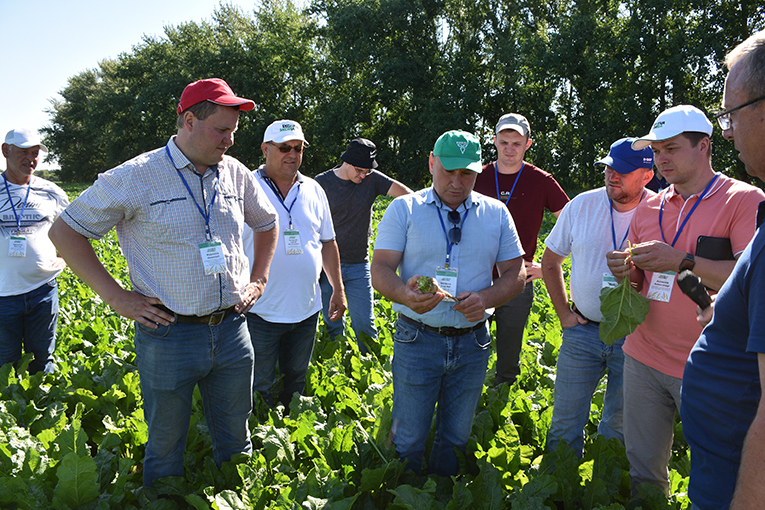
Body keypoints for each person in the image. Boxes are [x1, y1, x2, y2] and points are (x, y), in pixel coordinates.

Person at [48, 78, 279, 487]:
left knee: (236, 440)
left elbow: (267, 222)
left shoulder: (235, 174)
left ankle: (238, 495)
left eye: (233, 132)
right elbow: (66, 232)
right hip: (168, 334)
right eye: (221, 130)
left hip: (231, 330)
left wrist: (258, 278)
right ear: (189, 120)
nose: (229, 141)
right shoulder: (137, 175)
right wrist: (117, 298)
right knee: (165, 446)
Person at [606, 105, 765, 495]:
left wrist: (682, 260)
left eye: (671, 149)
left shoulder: (743, 200)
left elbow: (751, 278)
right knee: (644, 468)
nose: (661, 159)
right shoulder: (648, 205)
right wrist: (628, 270)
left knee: (714, 472)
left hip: (708, 364)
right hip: (642, 357)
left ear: (704, 147)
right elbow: (644, 276)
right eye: (657, 151)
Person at [371, 130, 525, 476]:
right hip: (417, 337)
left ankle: (442, 494)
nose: (457, 182)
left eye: (466, 173)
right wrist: (405, 294)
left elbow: (515, 273)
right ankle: (405, 495)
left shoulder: (496, 213)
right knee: (409, 435)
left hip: (473, 340)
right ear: (431, 163)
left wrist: (485, 298)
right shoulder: (404, 209)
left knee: (456, 435)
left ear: (478, 171)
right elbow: (380, 269)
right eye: (449, 171)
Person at [682, 31, 765, 509]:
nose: (729, 130)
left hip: (739, 478)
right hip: (723, 456)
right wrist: (729, 316)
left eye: (732, 115)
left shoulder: (743, 199)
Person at [541, 137, 654, 457]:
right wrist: (564, 314)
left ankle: (603, 492)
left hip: (633, 337)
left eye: (623, 170)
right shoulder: (582, 205)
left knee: (618, 424)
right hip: (582, 332)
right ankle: (559, 492)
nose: (612, 175)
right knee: (564, 422)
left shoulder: (660, 210)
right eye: (608, 168)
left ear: (646, 176)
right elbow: (550, 261)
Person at [243, 120, 346, 408]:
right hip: (259, 310)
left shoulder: (313, 189)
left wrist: (337, 288)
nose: (292, 154)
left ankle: (292, 431)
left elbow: (328, 242)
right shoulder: (246, 186)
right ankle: (258, 439)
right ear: (265, 149)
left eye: (298, 148)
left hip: (306, 309)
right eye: (284, 147)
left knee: (297, 379)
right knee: (257, 382)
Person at [474, 113, 569, 386]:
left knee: (509, 350)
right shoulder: (477, 176)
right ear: (494, 141)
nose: (509, 149)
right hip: (476, 275)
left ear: (528, 144)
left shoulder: (540, 180)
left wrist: (547, 266)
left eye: (516, 143)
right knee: (468, 345)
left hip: (518, 278)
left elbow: (574, 223)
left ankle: (501, 401)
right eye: (504, 142)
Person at [315, 138, 412, 351]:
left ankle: (371, 366)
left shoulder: (372, 179)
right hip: (328, 268)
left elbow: (409, 197)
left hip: (359, 265)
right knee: (332, 324)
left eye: (367, 171)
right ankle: (338, 371)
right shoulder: (321, 183)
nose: (363, 175)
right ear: (346, 163)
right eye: (359, 170)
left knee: (365, 326)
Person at [1, 128, 68, 375]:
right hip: (3, 294)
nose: (31, 158)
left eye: (35, 153)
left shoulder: (52, 191)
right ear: (5, 151)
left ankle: (42, 407)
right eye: (23, 152)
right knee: (4, 366)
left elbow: (69, 230)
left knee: (42, 360)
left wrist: (63, 257)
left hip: (43, 291)